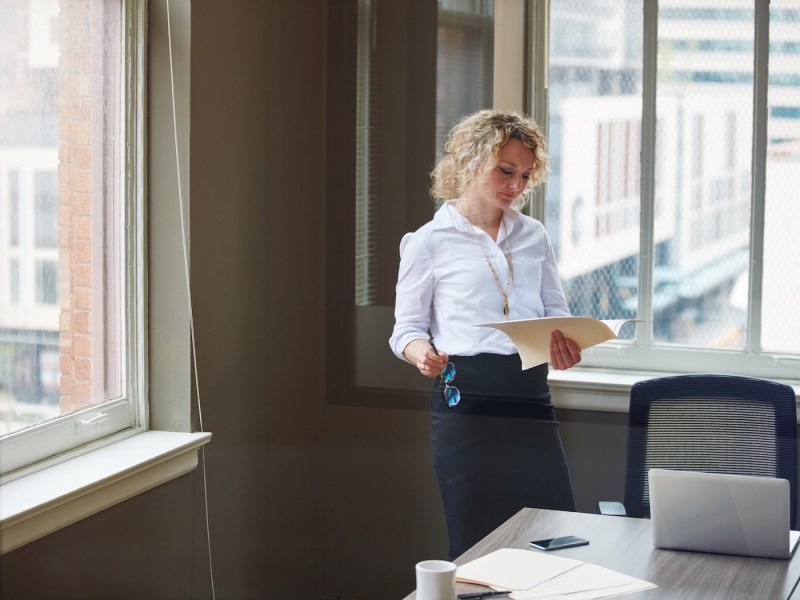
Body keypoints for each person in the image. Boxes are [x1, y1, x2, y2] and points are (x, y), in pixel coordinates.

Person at [388, 109, 582, 559]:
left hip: (531, 398)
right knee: (477, 546)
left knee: (553, 539)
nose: (516, 185)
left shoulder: (534, 236)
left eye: (526, 175)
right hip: (466, 405)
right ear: (472, 163)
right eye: (506, 170)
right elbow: (406, 330)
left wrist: (565, 346)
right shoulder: (428, 242)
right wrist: (422, 355)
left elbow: (556, 312)